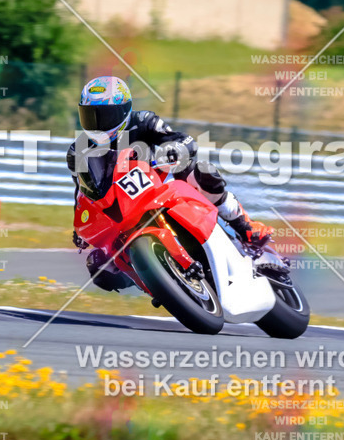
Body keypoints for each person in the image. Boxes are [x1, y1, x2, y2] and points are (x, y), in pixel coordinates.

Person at [67, 76, 273, 291]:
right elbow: (82, 189)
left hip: (159, 185)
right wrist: (79, 227)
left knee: (201, 172)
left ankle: (245, 228)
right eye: (90, 116)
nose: (99, 125)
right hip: (120, 207)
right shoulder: (78, 149)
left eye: (106, 116)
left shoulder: (143, 120)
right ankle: (156, 280)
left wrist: (175, 149)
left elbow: (182, 139)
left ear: (124, 110)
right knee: (99, 268)